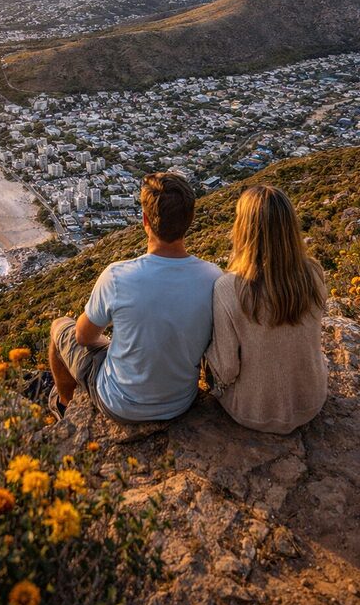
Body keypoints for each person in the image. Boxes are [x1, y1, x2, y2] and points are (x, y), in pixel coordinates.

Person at [49, 172, 222, 423]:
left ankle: (64, 406)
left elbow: (83, 337)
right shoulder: (214, 278)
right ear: (190, 219)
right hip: (180, 403)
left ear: (145, 220)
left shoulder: (118, 276)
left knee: (58, 327)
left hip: (120, 404)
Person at [204, 185, 327, 435]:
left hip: (254, 411)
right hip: (311, 401)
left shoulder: (229, 288)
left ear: (243, 229)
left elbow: (226, 369)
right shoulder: (313, 273)